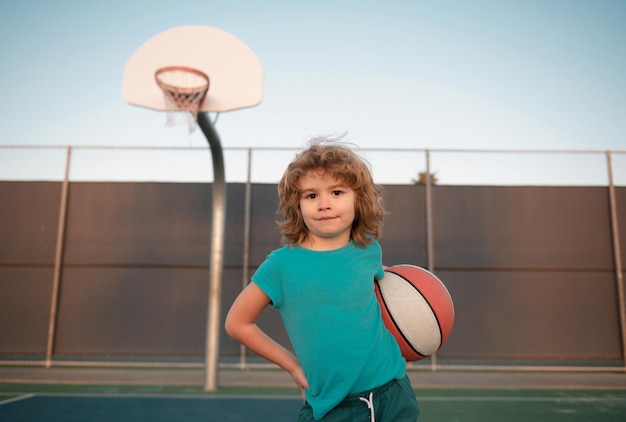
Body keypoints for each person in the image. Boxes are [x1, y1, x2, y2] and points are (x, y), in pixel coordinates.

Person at [225, 137, 419, 421]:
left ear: (359, 199)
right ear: (297, 205)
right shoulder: (281, 265)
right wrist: (292, 366)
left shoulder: (368, 251)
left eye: (337, 192)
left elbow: (384, 290)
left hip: (394, 391)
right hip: (331, 407)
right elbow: (237, 323)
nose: (324, 204)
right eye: (311, 195)